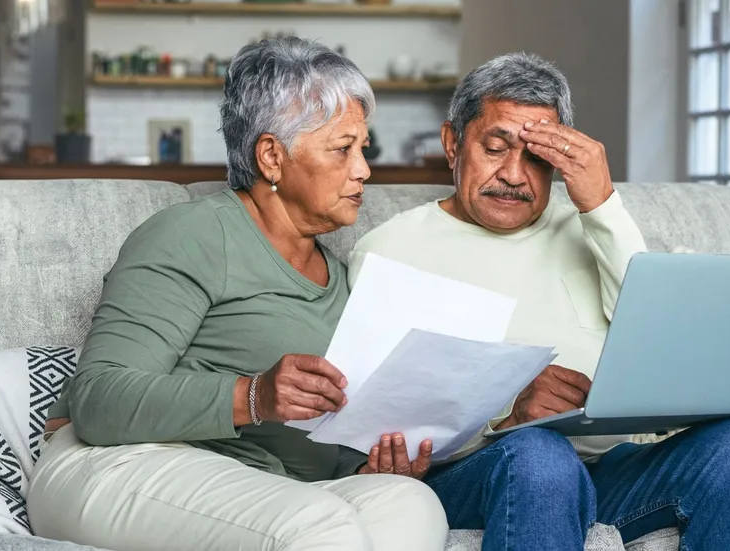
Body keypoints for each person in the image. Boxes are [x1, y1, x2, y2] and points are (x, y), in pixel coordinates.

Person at [348, 53, 730, 551]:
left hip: (604, 470)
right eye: (495, 149)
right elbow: (381, 423)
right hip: (475, 474)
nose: (515, 174)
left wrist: (601, 203)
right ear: (453, 144)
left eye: (537, 157)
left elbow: (660, 346)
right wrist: (507, 418)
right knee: (540, 453)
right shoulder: (394, 249)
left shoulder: (592, 228)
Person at [28, 38, 448, 551]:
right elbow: (98, 401)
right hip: (123, 462)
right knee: (319, 524)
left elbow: (324, 441)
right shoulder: (192, 235)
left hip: (271, 489)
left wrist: (368, 463)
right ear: (272, 156)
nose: (363, 169)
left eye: (364, 148)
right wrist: (252, 395)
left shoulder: (341, 282)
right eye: (342, 149)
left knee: (411, 505)